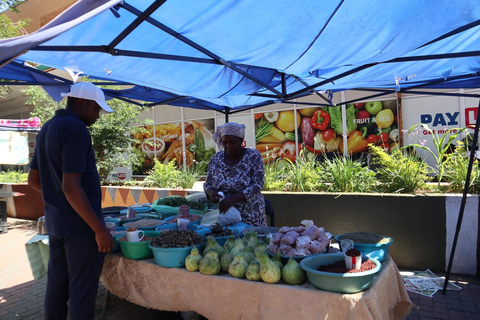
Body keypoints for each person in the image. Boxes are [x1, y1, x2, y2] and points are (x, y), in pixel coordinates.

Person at [28, 82, 114, 320]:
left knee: (57, 285)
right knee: (82, 292)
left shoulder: (47, 128)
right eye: (96, 109)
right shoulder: (76, 129)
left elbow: (33, 180)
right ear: (81, 103)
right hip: (80, 228)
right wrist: (99, 229)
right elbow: (70, 186)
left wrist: (59, 199)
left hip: (56, 225)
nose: (98, 116)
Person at [204, 122, 267, 226]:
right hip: (225, 215)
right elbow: (208, 183)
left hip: (250, 214)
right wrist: (210, 193)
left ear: (241, 140)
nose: (228, 146)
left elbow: (258, 184)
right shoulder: (216, 159)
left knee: (252, 240)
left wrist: (234, 198)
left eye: (233, 142)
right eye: (225, 142)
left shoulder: (253, 156)